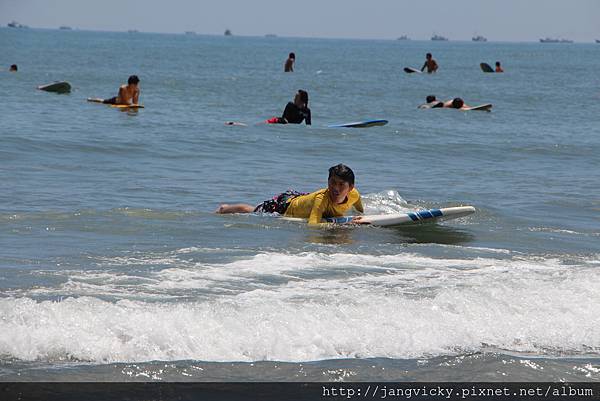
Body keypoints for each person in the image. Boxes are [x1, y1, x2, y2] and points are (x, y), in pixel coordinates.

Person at [216, 164, 365, 225]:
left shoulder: (354, 195)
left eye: (341, 184)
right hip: (284, 205)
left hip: (302, 198)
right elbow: (313, 225)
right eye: (332, 182)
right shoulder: (322, 200)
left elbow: (359, 210)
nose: (335, 188)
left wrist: (360, 217)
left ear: (351, 187)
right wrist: (344, 224)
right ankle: (225, 209)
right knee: (252, 211)